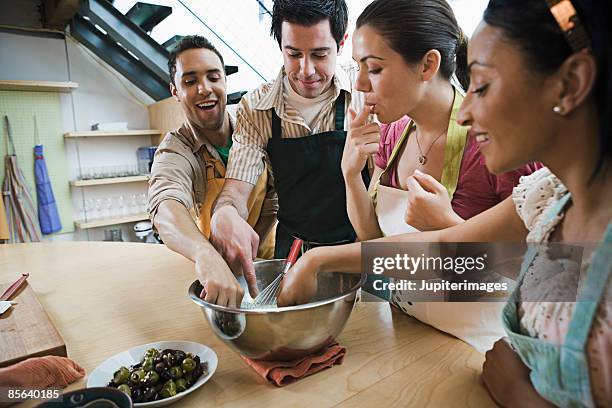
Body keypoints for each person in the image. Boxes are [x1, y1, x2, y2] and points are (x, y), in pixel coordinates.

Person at [279, 0, 611, 405]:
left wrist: (520, 395)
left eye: (483, 86)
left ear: (571, 83)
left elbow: (490, 271)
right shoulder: (547, 198)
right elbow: (447, 256)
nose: (467, 109)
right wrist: (323, 248)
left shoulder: (527, 176)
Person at [327, 0, 541, 352]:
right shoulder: (393, 134)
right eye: (358, 68)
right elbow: (375, 243)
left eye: (375, 69)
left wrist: (449, 226)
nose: (361, 84)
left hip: (476, 349)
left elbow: (536, 280)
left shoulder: (496, 144)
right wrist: (350, 175)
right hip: (407, 331)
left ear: (428, 65)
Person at [209, 0, 368, 298]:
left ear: (342, 42)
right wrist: (226, 214)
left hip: (358, 254)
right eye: (293, 54)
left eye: (320, 54)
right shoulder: (256, 108)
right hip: (291, 256)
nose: (306, 70)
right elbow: (236, 191)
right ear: (280, 44)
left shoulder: (364, 93)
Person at [148, 35, 277, 308]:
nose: (204, 89)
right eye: (190, 81)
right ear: (175, 91)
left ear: (225, 82)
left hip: (274, 265)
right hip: (222, 276)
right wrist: (204, 254)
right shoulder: (176, 149)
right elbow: (166, 205)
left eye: (213, 77)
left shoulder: (255, 129)